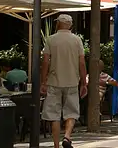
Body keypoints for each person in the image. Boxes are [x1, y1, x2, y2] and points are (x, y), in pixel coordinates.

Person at [41, 14, 87, 148]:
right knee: (71, 112)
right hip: (72, 81)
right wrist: (84, 83)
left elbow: (45, 62)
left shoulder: (51, 39)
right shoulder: (77, 40)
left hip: (54, 81)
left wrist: (43, 81)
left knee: (53, 115)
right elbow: (82, 62)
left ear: (58, 24)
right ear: (70, 25)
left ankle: (56, 145)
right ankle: (67, 136)